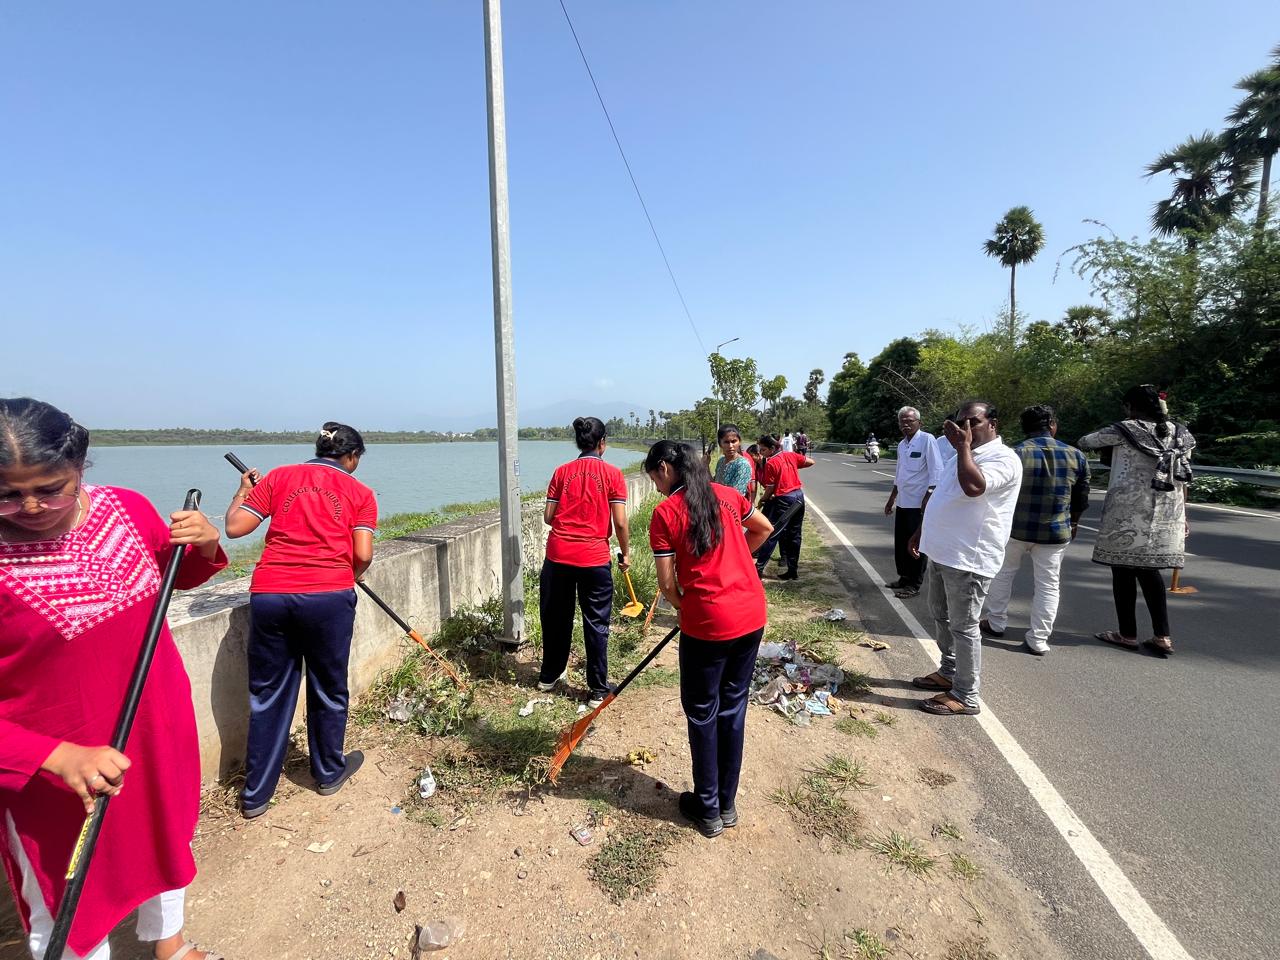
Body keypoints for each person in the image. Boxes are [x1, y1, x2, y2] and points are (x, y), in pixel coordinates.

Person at [0, 398, 227, 960]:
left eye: (50, 488)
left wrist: (203, 542)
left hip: (153, 724)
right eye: (7, 493)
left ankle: (169, 944)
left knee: (163, 838)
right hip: (50, 767)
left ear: (81, 469)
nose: (30, 505)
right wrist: (55, 756)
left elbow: (177, 577)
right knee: (68, 888)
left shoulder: (127, 507)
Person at [225, 422, 377, 819]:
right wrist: (350, 574)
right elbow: (362, 554)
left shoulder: (278, 477)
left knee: (269, 692)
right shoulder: (360, 493)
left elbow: (235, 527)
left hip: (272, 594)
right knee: (328, 686)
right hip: (328, 596)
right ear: (352, 457)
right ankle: (327, 771)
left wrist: (245, 490)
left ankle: (256, 795)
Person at [645, 441, 773, 838]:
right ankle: (727, 804)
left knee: (702, 711)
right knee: (732, 707)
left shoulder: (666, 512)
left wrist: (687, 606)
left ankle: (707, 808)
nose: (655, 487)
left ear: (665, 468)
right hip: (751, 613)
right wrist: (738, 564)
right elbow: (764, 529)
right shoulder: (729, 495)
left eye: (654, 477)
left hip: (708, 624)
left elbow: (667, 585)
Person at [910, 401, 1022, 715]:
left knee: (964, 626)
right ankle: (948, 671)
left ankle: (966, 694)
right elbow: (944, 494)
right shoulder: (966, 454)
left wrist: (963, 448)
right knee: (940, 616)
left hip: (969, 559)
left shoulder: (1003, 459)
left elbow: (974, 487)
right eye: (961, 422)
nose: (966, 427)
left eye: (973, 421)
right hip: (942, 551)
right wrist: (922, 531)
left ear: (993, 423)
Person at [1079, 385, 1194, 657]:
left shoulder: (1124, 430)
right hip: (1168, 511)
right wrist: (1184, 515)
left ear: (1129, 406)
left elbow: (1086, 441)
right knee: (1150, 572)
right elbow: (1184, 475)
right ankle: (1162, 635)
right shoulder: (1181, 434)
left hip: (1129, 511)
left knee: (1123, 572)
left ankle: (1127, 633)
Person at [978, 405, 1090, 655]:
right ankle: (1038, 639)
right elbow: (1081, 497)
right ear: (1051, 424)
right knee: (1049, 584)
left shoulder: (1014, 453)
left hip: (1014, 529)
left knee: (1003, 575)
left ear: (1024, 427)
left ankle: (996, 622)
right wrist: (1073, 523)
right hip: (1055, 531)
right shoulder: (1075, 455)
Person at [538, 417, 630, 708]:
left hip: (559, 555)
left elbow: (548, 517)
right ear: (603, 443)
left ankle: (548, 678)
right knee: (596, 623)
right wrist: (625, 553)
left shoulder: (562, 472)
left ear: (579, 442)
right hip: (593, 558)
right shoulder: (613, 474)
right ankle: (598, 690)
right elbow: (620, 522)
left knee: (556, 618)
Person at [883, 406, 942, 598]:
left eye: (909, 420)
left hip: (919, 503)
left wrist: (928, 497)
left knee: (916, 544)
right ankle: (904, 577)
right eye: (902, 421)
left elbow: (936, 471)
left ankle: (914, 584)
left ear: (919, 422)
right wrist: (891, 498)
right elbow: (899, 474)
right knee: (901, 543)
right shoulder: (902, 444)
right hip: (903, 501)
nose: (905, 424)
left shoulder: (927, 440)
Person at [753, 434, 815, 580]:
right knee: (795, 535)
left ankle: (759, 568)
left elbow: (770, 488)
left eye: (763, 450)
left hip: (785, 500)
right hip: (799, 497)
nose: (761, 453)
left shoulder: (771, 463)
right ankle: (793, 570)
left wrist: (762, 500)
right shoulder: (790, 455)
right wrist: (794, 466)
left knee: (772, 533)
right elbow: (811, 461)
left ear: (772, 448)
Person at [710, 424, 753, 497]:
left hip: (732, 506)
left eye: (733, 441)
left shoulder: (742, 464)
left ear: (739, 442)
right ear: (720, 444)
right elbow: (714, 485)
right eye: (726, 442)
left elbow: (735, 495)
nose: (730, 446)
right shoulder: (721, 461)